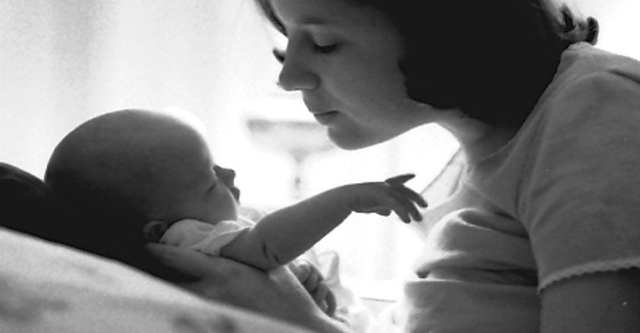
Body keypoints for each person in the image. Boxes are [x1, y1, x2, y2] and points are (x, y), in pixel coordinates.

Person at [143, 0, 640, 333]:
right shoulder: (481, 160)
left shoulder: (595, 114)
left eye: (324, 43)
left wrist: (299, 321)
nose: (290, 78)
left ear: (438, 18)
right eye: (286, 40)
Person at [44, 108, 426, 319]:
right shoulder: (186, 239)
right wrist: (346, 199)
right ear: (159, 229)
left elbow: (269, 264)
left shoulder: (199, 234)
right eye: (210, 179)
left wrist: (298, 275)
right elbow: (265, 248)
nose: (229, 174)